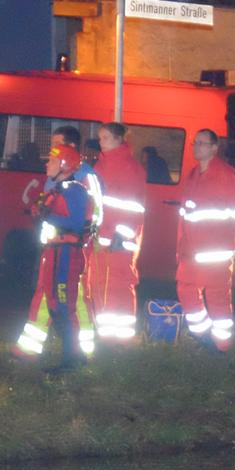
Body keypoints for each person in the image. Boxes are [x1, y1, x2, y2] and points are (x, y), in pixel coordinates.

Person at [12, 139, 99, 370]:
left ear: (64, 164)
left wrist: (45, 215)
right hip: (54, 254)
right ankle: (71, 357)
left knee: (64, 307)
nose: (46, 164)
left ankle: (73, 360)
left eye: (51, 160)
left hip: (66, 256)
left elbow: (75, 223)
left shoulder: (75, 191)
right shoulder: (59, 189)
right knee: (54, 305)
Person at [176, 129, 235, 351]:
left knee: (217, 298)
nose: (196, 146)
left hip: (215, 251)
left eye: (202, 143)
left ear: (214, 147)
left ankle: (222, 345)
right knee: (185, 289)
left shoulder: (226, 175)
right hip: (191, 250)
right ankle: (203, 335)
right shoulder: (194, 174)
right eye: (196, 142)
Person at [89, 122, 148, 344]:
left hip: (119, 241)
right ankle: (108, 337)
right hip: (104, 238)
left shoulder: (129, 168)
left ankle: (119, 339)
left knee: (117, 287)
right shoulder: (102, 165)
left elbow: (134, 206)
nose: (100, 142)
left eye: (104, 138)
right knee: (102, 287)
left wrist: (122, 235)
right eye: (100, 138)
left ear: (117, 140)